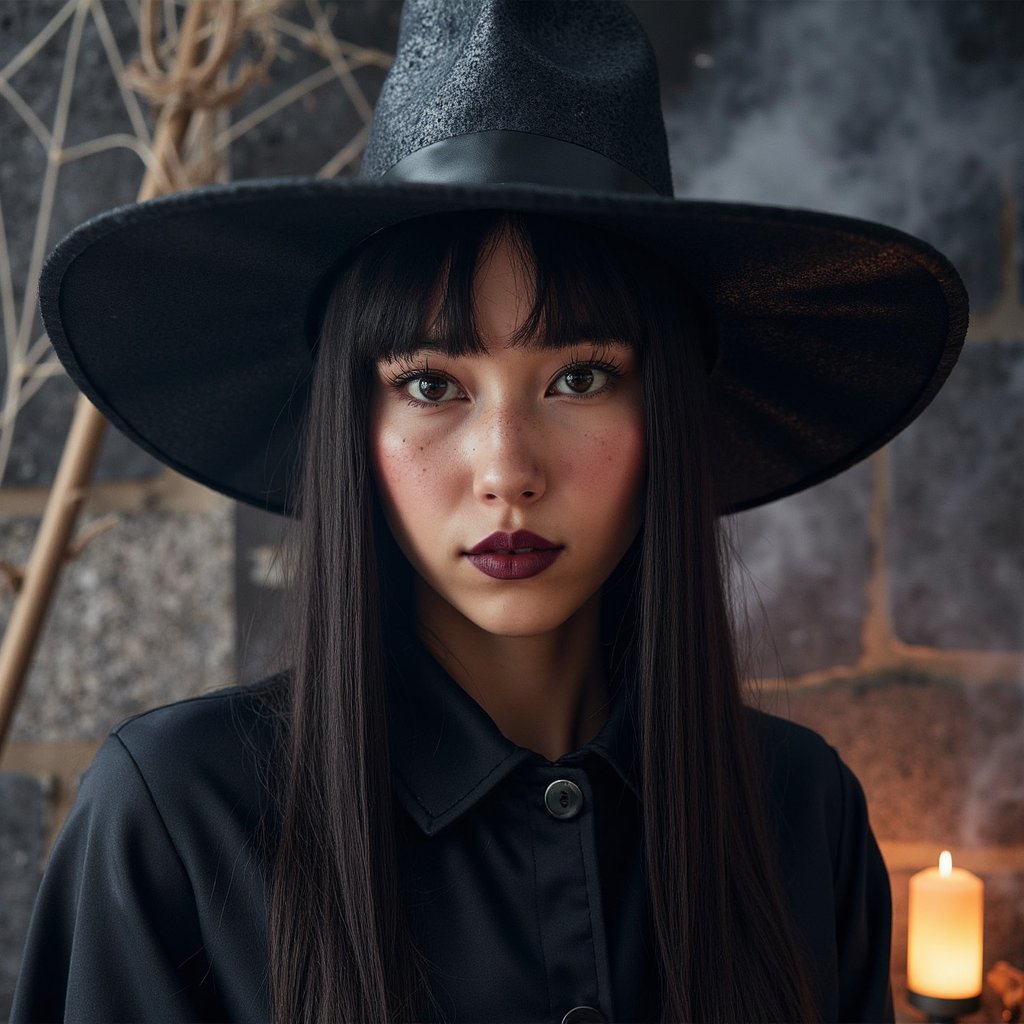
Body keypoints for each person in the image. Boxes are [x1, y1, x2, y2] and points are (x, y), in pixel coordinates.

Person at [10, 1, 968, 1022]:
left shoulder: (799, 813)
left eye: (581, 376)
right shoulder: (178, 820)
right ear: (354, 422)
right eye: (432, 384)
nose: (506, 470)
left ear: (665, 415)